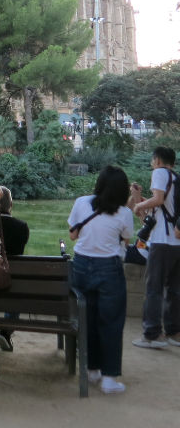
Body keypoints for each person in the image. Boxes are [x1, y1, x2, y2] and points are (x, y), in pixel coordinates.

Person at [68, 165, 134, 394]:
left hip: (82, 266)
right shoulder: (124, 213)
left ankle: (91, 369)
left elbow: (73, 233)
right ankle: (109, 377)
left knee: (88, 320)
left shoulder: (81, 202)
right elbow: (126, 239)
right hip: (109, 268)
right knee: (111, 323)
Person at [131, 146, 180, 348]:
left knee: (154, 288)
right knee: (175, 289)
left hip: (162, 240)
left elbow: (158, 200)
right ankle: (174, 333)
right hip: (177, 242)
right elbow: (163, 205)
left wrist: (139, 205)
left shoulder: (160, 173)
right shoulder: (176, 178)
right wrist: (140, 199)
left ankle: (152, 334)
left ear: (157, 161)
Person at [0, 186, 30, 351]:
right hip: (11, 286)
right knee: (18, 289)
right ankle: (6, 333)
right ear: (10, 205)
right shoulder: (21, 227)